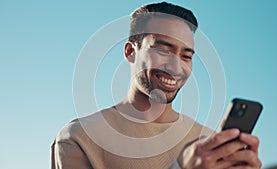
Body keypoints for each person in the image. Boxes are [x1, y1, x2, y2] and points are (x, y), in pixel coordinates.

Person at [51, 2, 262, 169]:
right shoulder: (78, 138)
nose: (175, 66)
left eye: (186, 56)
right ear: (130, 52)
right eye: (163, 50)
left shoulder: (208, 143)